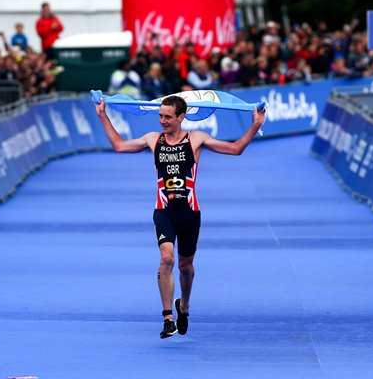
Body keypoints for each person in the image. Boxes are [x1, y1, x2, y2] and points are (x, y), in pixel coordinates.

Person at [93, 94, 265, 338]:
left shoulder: (196, 139)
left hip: (190, 213)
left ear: (181, 117)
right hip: (164, 211)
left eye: (167, 117)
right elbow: (119, 145)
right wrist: (102, 115)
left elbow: (236, 149)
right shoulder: (153, 140)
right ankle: (167, 318)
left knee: (186, 267)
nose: (162, 121)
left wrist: (255, 124)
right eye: (160, 116)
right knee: (166, 259)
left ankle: (183, 305)